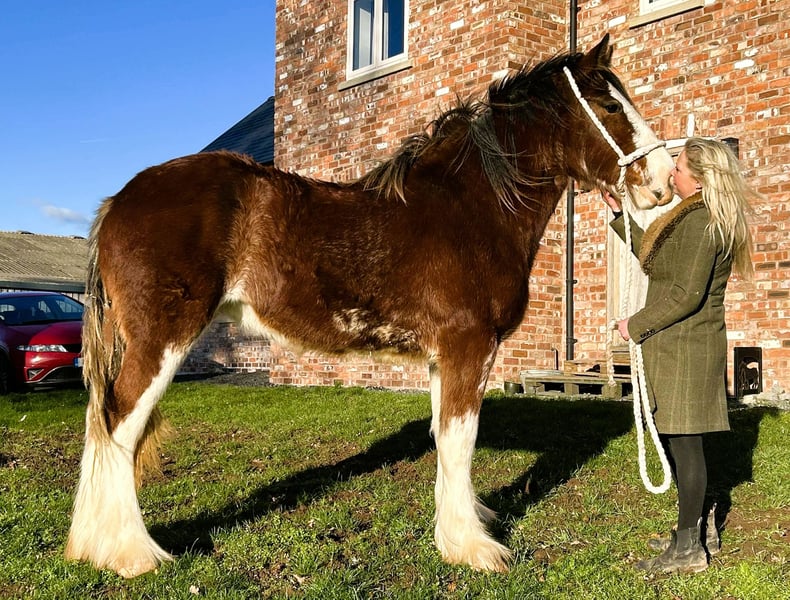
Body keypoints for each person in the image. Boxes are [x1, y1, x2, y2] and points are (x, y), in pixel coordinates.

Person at [603, 137, 756, 574]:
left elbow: (685, 294)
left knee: (686, 447)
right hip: (679, 347)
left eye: (680, 167)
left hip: (687, 348)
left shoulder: (703, 221)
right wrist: (620, 215)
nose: (672, 173)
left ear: (701, 179)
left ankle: (689, 547)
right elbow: (659, 263)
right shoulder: (694, 216)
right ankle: (698, 529)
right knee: (679, 442)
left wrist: (635, 325)